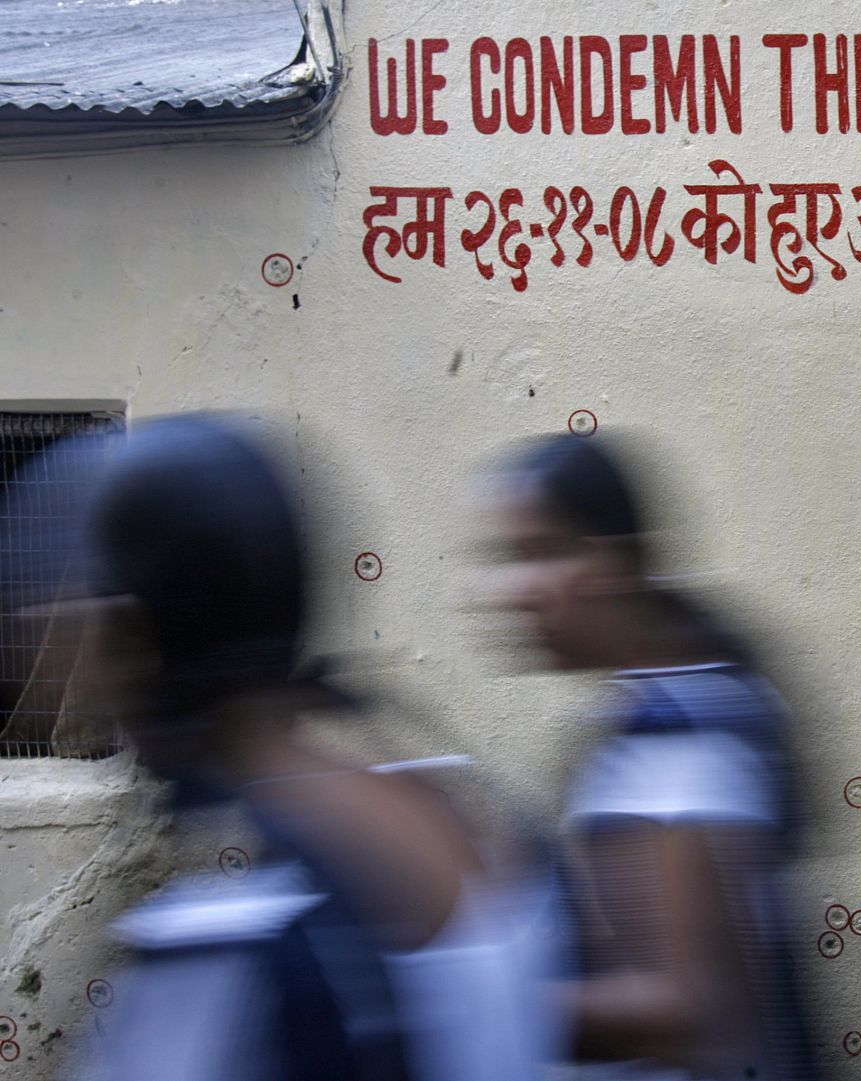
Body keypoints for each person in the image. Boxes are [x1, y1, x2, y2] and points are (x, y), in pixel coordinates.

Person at [59, 415, 549, 1081]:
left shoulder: (227, 918)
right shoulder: (433, 806)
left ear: (138, 633)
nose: (80, 674)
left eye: (89, 624)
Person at [484, 432, 817, 1081]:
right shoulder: (689, 701)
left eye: (541, 553)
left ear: (614, 565)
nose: (512, 589)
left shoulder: (674, 734)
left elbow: (689, 1008)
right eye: (507, 558)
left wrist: (477, 1001)